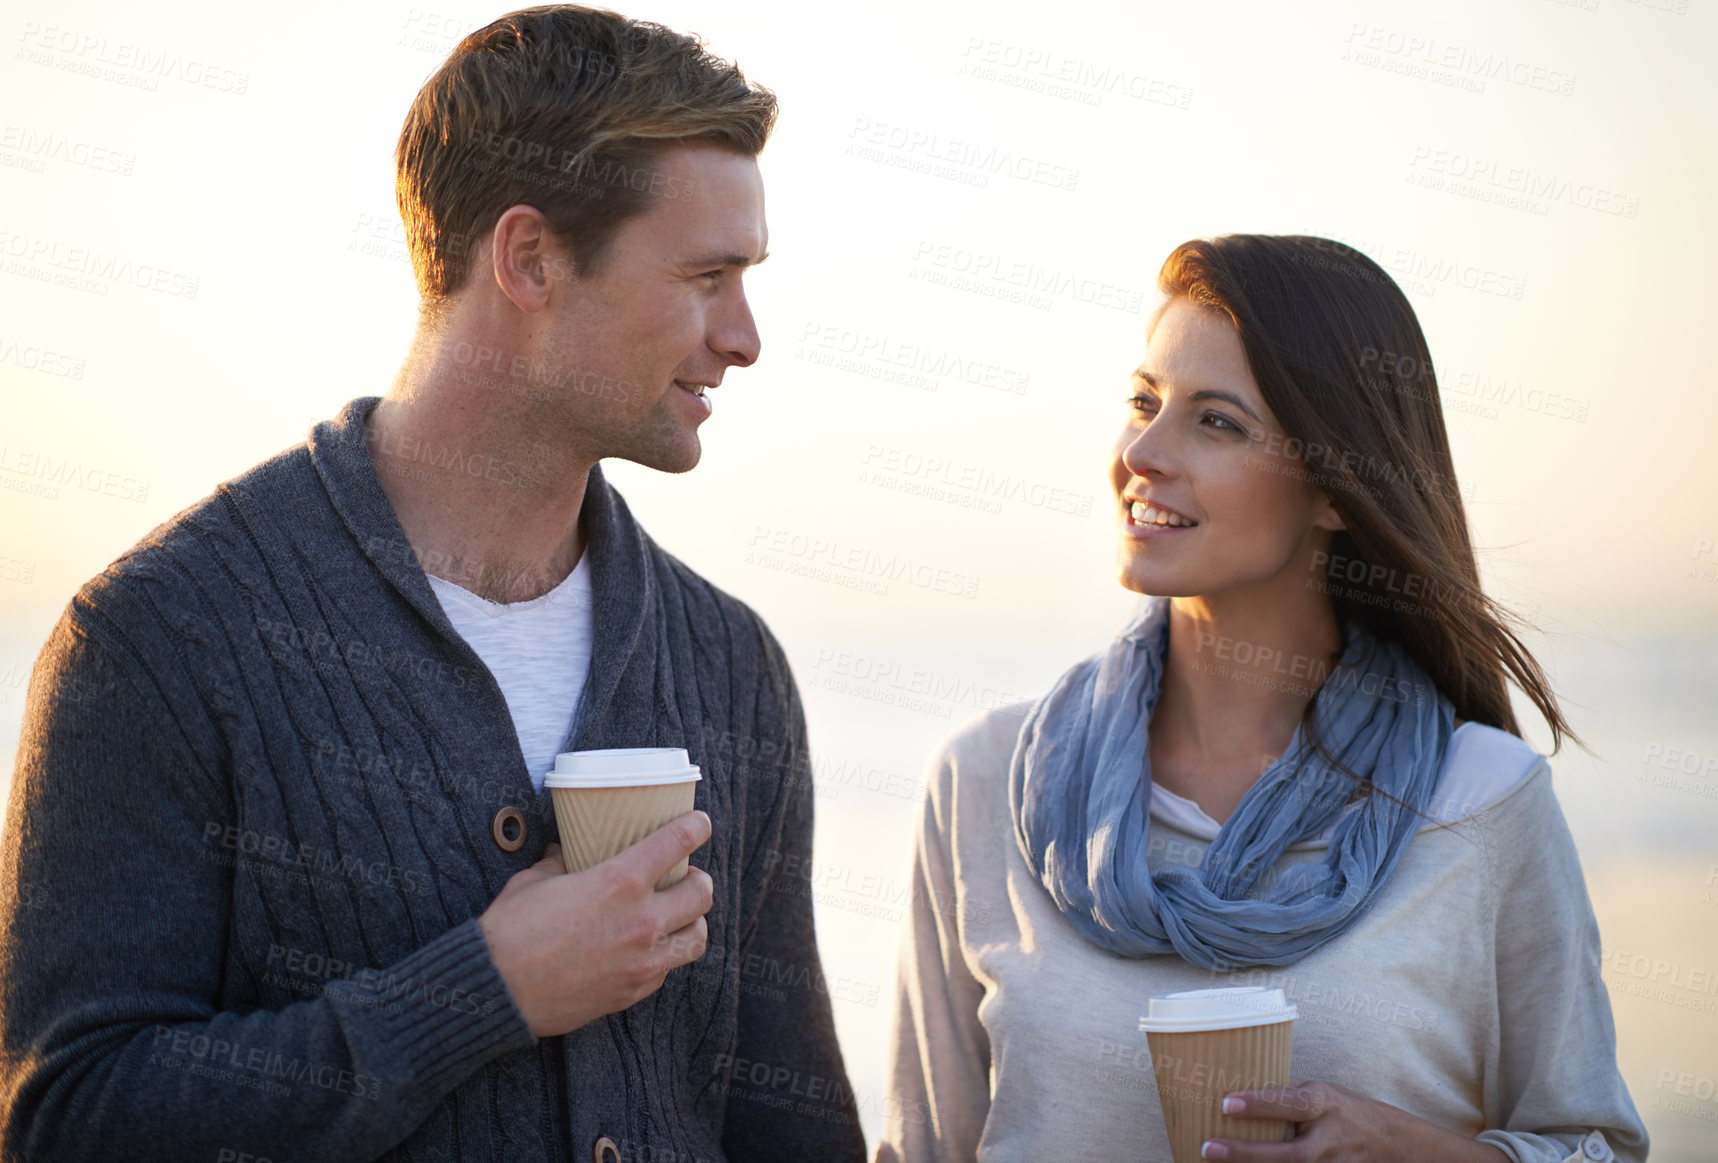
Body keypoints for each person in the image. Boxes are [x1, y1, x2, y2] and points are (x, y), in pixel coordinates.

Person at [0, 7, 864, 1161]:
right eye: (706, 275)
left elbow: (789, 1125)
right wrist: (481, 989)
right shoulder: (160, 640)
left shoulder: (731, 663)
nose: (745, 335)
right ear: (528, 259)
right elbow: (67, 1118)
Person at [874, 235, 1647, 1162]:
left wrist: (1412, 1150)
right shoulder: (984, 779)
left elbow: (1597, 1143)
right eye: (1143, 403)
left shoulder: (1482, 801)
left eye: (1217, 422)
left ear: (1335, 488)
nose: (1143, 455)